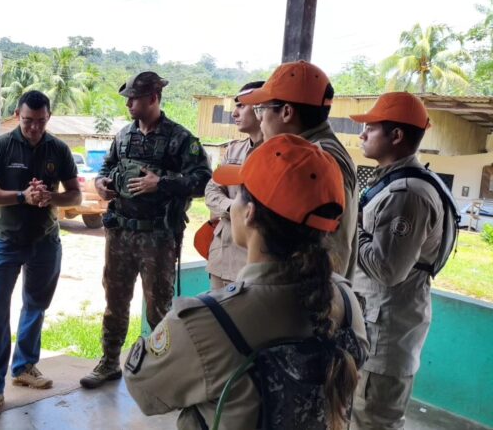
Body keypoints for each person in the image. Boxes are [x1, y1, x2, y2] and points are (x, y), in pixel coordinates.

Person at [124, 134, 369, 430]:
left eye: (239, 193)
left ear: (250, 213)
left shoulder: (207, 322)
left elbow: (144, 389)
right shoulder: (346, 300)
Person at [80, 71, 211, 389]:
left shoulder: (180, 139)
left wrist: (161, 183)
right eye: (127, 99)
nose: (129, 105)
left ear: (153, 98)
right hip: (121, 234)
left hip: (158, 237)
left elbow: (203, 180)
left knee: (158, 309)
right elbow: (108, 167)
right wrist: (102, 184)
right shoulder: (123, 136)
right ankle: (110, 362)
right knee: (115, 302)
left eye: (134, 99)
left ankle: (160, 372)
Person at [0, 90, 81, 417]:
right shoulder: (1, 146)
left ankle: (24, 367)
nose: (33, 128)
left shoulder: (59, 150)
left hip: (45, 240)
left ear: (48, 118)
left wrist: (50, 198)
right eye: (27, 121)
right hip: (5, 240)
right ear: (17, 116)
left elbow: (74, 194)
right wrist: (23, 196)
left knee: (35, 306)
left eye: (40, 122)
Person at [349, 93, 451, 429]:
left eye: (371, 128)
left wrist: (353, 228)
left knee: (373, 418)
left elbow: (387, 269)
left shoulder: (407, 193)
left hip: (385, 334)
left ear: (396, 136)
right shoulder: (398, 183)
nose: (362, 134)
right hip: (380, 325)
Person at [238, 61, 358, 279]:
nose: (260, 119)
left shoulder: (319, 159)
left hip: (307, 301)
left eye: (261, 109)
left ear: (286, 112)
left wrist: (316, 306)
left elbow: (333, 247)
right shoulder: (313, 153)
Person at [204, 81, 264, 290]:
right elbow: (212, 190)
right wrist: (232, 207)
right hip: (222, 253)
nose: (234, 113)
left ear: (261, 108)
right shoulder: (234, 150)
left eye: (241, 106)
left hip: (253, 260)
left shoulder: (278, 153)